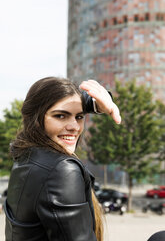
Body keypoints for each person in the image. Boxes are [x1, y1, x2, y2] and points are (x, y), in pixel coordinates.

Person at [4, 77, 121, 241]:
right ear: (35, 120)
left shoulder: (25, 158)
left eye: (79, 117)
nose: (74, 127)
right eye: (60, 116)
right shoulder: (60, 170)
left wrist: (97, 105)